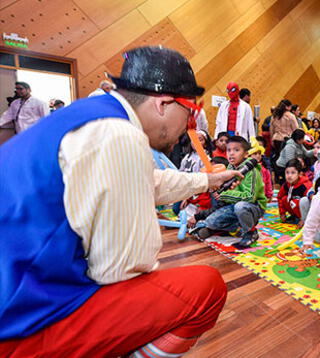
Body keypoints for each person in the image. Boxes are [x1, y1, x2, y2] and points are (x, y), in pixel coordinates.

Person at [0, 46, 242, 357]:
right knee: (205, 288)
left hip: (15, 293)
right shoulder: (120, 136)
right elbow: (120, 271)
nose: (189, 127)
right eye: (192, 114)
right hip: (21, 327)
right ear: (164, 104)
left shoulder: (89, 114)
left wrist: (208, 180)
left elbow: (148, 180)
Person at [195, 136, 267, 249]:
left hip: (253, 206)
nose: (231, 154)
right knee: (210, 221)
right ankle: (235, 228)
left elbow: (250, 197)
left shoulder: (252, 172)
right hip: (233, 204)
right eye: (229, 150)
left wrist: (225, 194)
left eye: (236, 150)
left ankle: (251, 232)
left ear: (246, 154)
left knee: (240, 207)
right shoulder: (230, 168)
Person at [278, 159, 312, 226]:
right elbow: (279, 197)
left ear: (299, 174)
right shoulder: (286, 185)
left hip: (305, 213)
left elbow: (311, 203)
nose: (289, 175)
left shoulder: (305, 185)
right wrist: (282, 213)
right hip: (294, 209)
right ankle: (294, 217)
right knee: (284, 198)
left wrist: (304, 218)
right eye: (287, 172)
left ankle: (302, 219)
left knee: (296, 201)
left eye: (293, 173)